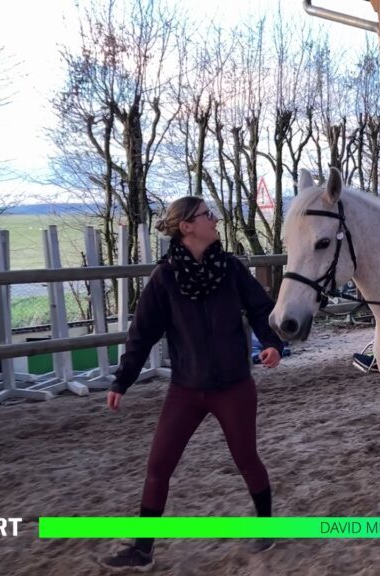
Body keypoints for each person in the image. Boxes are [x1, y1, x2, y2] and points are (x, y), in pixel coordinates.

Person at [101, 196, 284, 570]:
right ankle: (142, 549)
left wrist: (272, 343)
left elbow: (261, 308)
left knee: (246, 458)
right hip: (186, 389)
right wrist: (122, 380)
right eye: (207, 215)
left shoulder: (231, 268)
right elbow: (142, 334)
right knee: (159, 465)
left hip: (234, 386)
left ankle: (267, 527)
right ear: (187, 226)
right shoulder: (164, 278)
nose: (215, 220)